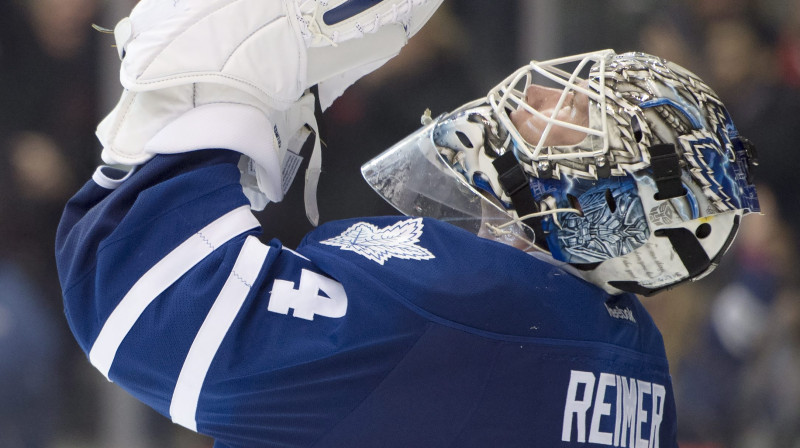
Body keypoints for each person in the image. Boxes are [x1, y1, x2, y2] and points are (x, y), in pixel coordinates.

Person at [55, 1, 760, 447]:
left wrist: (193, 102)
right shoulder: (631, 364)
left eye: (578, 115)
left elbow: (142, 308)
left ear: (609, 207)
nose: (540, 92)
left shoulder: (458, 309)